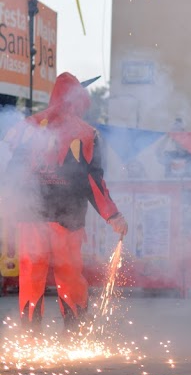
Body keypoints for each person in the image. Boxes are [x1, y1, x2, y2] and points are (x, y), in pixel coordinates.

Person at [1, 72, 128, 328]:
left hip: (31, 217)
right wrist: (112, 215)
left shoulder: (28, 128)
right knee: (69, 274)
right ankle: (75, 331)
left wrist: (7, 210)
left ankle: (30, 334)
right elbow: (93, 181)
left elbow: (12, 173)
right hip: (67, 220)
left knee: (31, 273)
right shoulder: (87, 134)